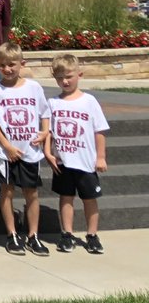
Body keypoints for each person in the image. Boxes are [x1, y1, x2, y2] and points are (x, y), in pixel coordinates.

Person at [0, 41, 51, 256]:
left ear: (22, 63)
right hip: (6, 152)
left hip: (30, 150)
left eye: (12, 64)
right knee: (7, 191)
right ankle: (12, 234)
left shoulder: (34, 87)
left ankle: (33, 235)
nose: (7, 69)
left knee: (31, 193)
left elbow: (44, 112)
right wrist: (6, 145)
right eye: (2, 65)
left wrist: (44, 132)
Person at [47, 54, 109, 255]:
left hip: (86, 162)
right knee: (66, 198)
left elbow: (99, 131)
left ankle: (92, 235)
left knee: (89, 198)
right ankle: (67, 233)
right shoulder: (53, 103)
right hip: (63, 162)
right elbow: (47, 131)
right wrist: (48, 153)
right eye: (59, 78)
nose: (64, 81)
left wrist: (100, 157)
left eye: (68, 76)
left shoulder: (89, 101)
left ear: (79, 75)